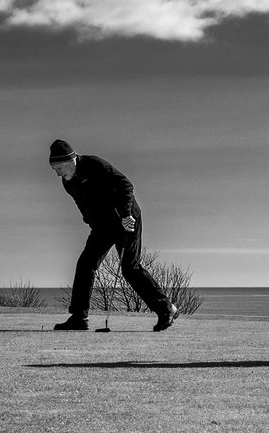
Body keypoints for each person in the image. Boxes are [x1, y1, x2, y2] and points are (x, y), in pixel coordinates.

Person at [47, 139, 178, 332]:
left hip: (127, 218)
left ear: (69, 160)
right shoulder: (67, 183)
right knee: (86, 264)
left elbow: (126, 186)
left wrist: (126, 215)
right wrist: (94, 225)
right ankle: (79, 317)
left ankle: (167, 309)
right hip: (103, 226)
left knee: (130, 269)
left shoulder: (94, 164)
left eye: (58, 167)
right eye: (54, 169)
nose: (57, 172)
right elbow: (85, 208)